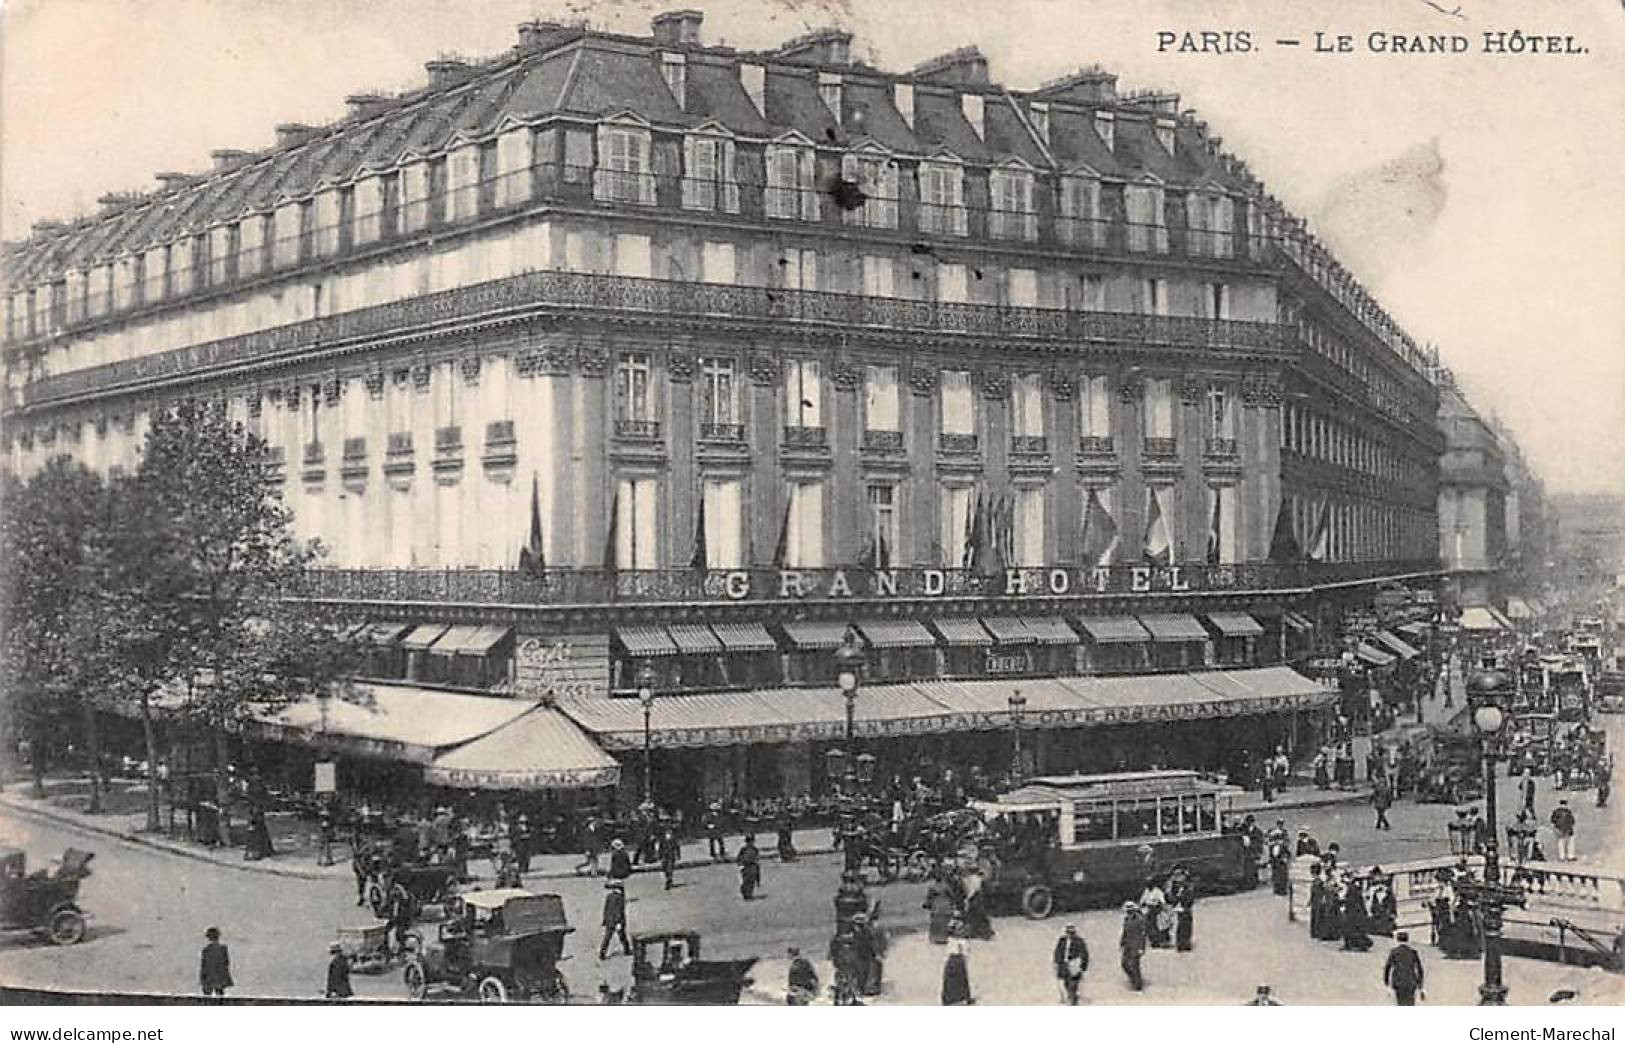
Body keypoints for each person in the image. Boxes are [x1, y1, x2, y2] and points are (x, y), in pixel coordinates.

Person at [1383, 931, 1424, 1005]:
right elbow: (1419, 969)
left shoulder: (1394, 952)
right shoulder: (1413, 952)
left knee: (1400, 1002)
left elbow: (1387, 968)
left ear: (1398, 940)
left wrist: (1387, 982)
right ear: (1407, 939)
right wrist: (1420, 984)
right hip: (1411, 982)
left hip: (1398, 981)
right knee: (1410, 1003)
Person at [1053, 923, 1089, 1005]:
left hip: (1074, 965)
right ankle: (1071, 996)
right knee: (1066, 983)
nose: (1069, 935)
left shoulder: (1079, 941)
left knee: (1073, 984)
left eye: (1071, 933)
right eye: (1068, 933)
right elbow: (1057, 952)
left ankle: (1073, 999)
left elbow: (1084, 954)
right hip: (1064, 965)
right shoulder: (1062, 941)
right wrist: (1056, 963)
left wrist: (1082, 967)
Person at [598, 879, 631, 959]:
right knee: (622, 936)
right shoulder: (620, 898)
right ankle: (627, 950)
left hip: (609, 920)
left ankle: (602, 953)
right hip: (617, 921)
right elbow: (619, 911)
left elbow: (606, 909)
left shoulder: (609, 897)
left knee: (607, 937)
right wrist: (619, 922)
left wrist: (604, 920)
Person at [1119, 902, 1147, 991]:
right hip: (1128, 944)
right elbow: (1125, 932)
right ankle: (1133, 979)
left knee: (1135, 965)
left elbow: (1143, 934)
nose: (1129, 912)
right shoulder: (1126, 919)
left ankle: (1137, 984)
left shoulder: (1140, 920)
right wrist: (1122, 942)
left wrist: (1142, 947)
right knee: (1124, 963)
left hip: (1136, 945)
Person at [924, 870, 957, 944]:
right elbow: (952, 896)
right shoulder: (946, 886)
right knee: (945, 922)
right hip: (945, 905)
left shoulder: (932, 887)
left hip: (936, 905)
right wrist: (953, 904)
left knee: (936, 922)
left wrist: (928, 904)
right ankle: (944, 938)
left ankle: (935, 938)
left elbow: (929, 897)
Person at [1167, 869, 1196, 952]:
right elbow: (1171, 898)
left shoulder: (1189, 886)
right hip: (1178, 909)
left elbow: (1190, 897)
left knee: (1186, 926)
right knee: (1179, 927)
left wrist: (1181, 900)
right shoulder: (1174, 887)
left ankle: (1186, 943)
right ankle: (1180, 944)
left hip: (1185, 908)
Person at [940, 930, 972, 1006]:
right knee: (960, 979)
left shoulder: (953, 940)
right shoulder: (961, 942)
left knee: (956, 979)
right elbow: (966, 953)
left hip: (953, 960)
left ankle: (952, 998)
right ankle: (959, 997)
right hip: (957, 960)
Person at [199, 926, 233, 998]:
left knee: (209, 995)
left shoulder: (206, 950)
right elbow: (226, 962)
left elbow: (203, 965)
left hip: (211, 975)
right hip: (217, 974)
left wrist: (203, 977)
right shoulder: (222, 948)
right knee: (219, 993)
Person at [1139, 878, 1169, 948]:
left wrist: (1164, 910)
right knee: (1148, 925)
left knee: (1158, 925)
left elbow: (1162, 902)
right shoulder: (1146, 891)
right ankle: (1153, 941)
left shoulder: (1158, 891)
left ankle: (1160, 941)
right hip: (1149, 909)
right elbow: (1142, 901)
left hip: (1156, 909)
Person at [737, 834, 761, 900]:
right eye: (749, 842)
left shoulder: (755, 849)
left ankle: (749, 894)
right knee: (745, 880)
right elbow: (739, 858)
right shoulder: (743, 849)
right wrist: (740, 865)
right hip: (745, 866)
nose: (750, 843)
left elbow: (757, 858)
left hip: (753, 866)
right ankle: (745, 893)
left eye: (751, 841)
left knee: (752, 881)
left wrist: (757, 866)